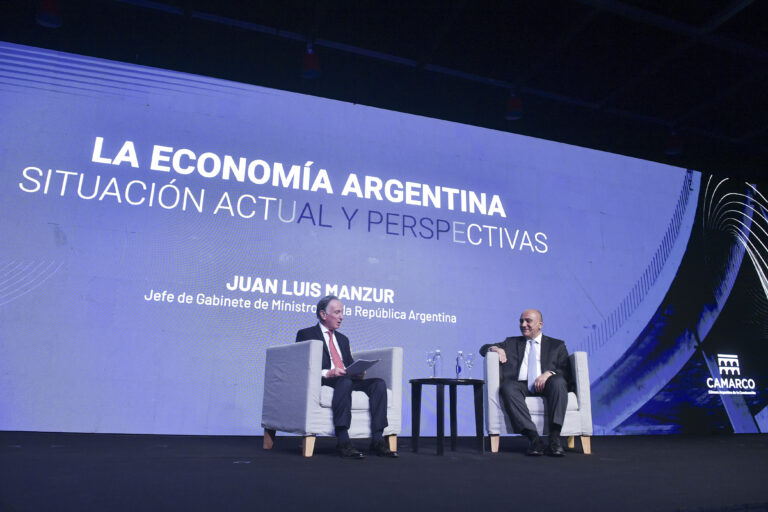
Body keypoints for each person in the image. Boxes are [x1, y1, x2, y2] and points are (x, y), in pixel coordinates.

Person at [296, 295, 398, 459]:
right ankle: (343, 440)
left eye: (342, 312)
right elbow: (302, 365)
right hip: (325, 379)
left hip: (346, 379)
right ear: (323, 314)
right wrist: (328, 372)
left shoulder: (343, 339)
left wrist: (358, 372)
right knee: (344, 381)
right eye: (337, 312)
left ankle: (378, 440)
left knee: (378, 384)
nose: (341, 317)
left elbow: (348, 364)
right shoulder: (306, 334)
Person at [479, 309, 571, 457]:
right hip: (520, 385)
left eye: (528, 321)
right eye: (521, 321)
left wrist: (549, 373)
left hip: (548, 384)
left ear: (540, 324)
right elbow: (483, 349)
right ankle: (534, 439)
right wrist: (496, 349)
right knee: (507, 387)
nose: (523, 324)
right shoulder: (511, 342)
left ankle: (555, 439)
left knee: (559, 381)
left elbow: (565, 371)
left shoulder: (557, 345)